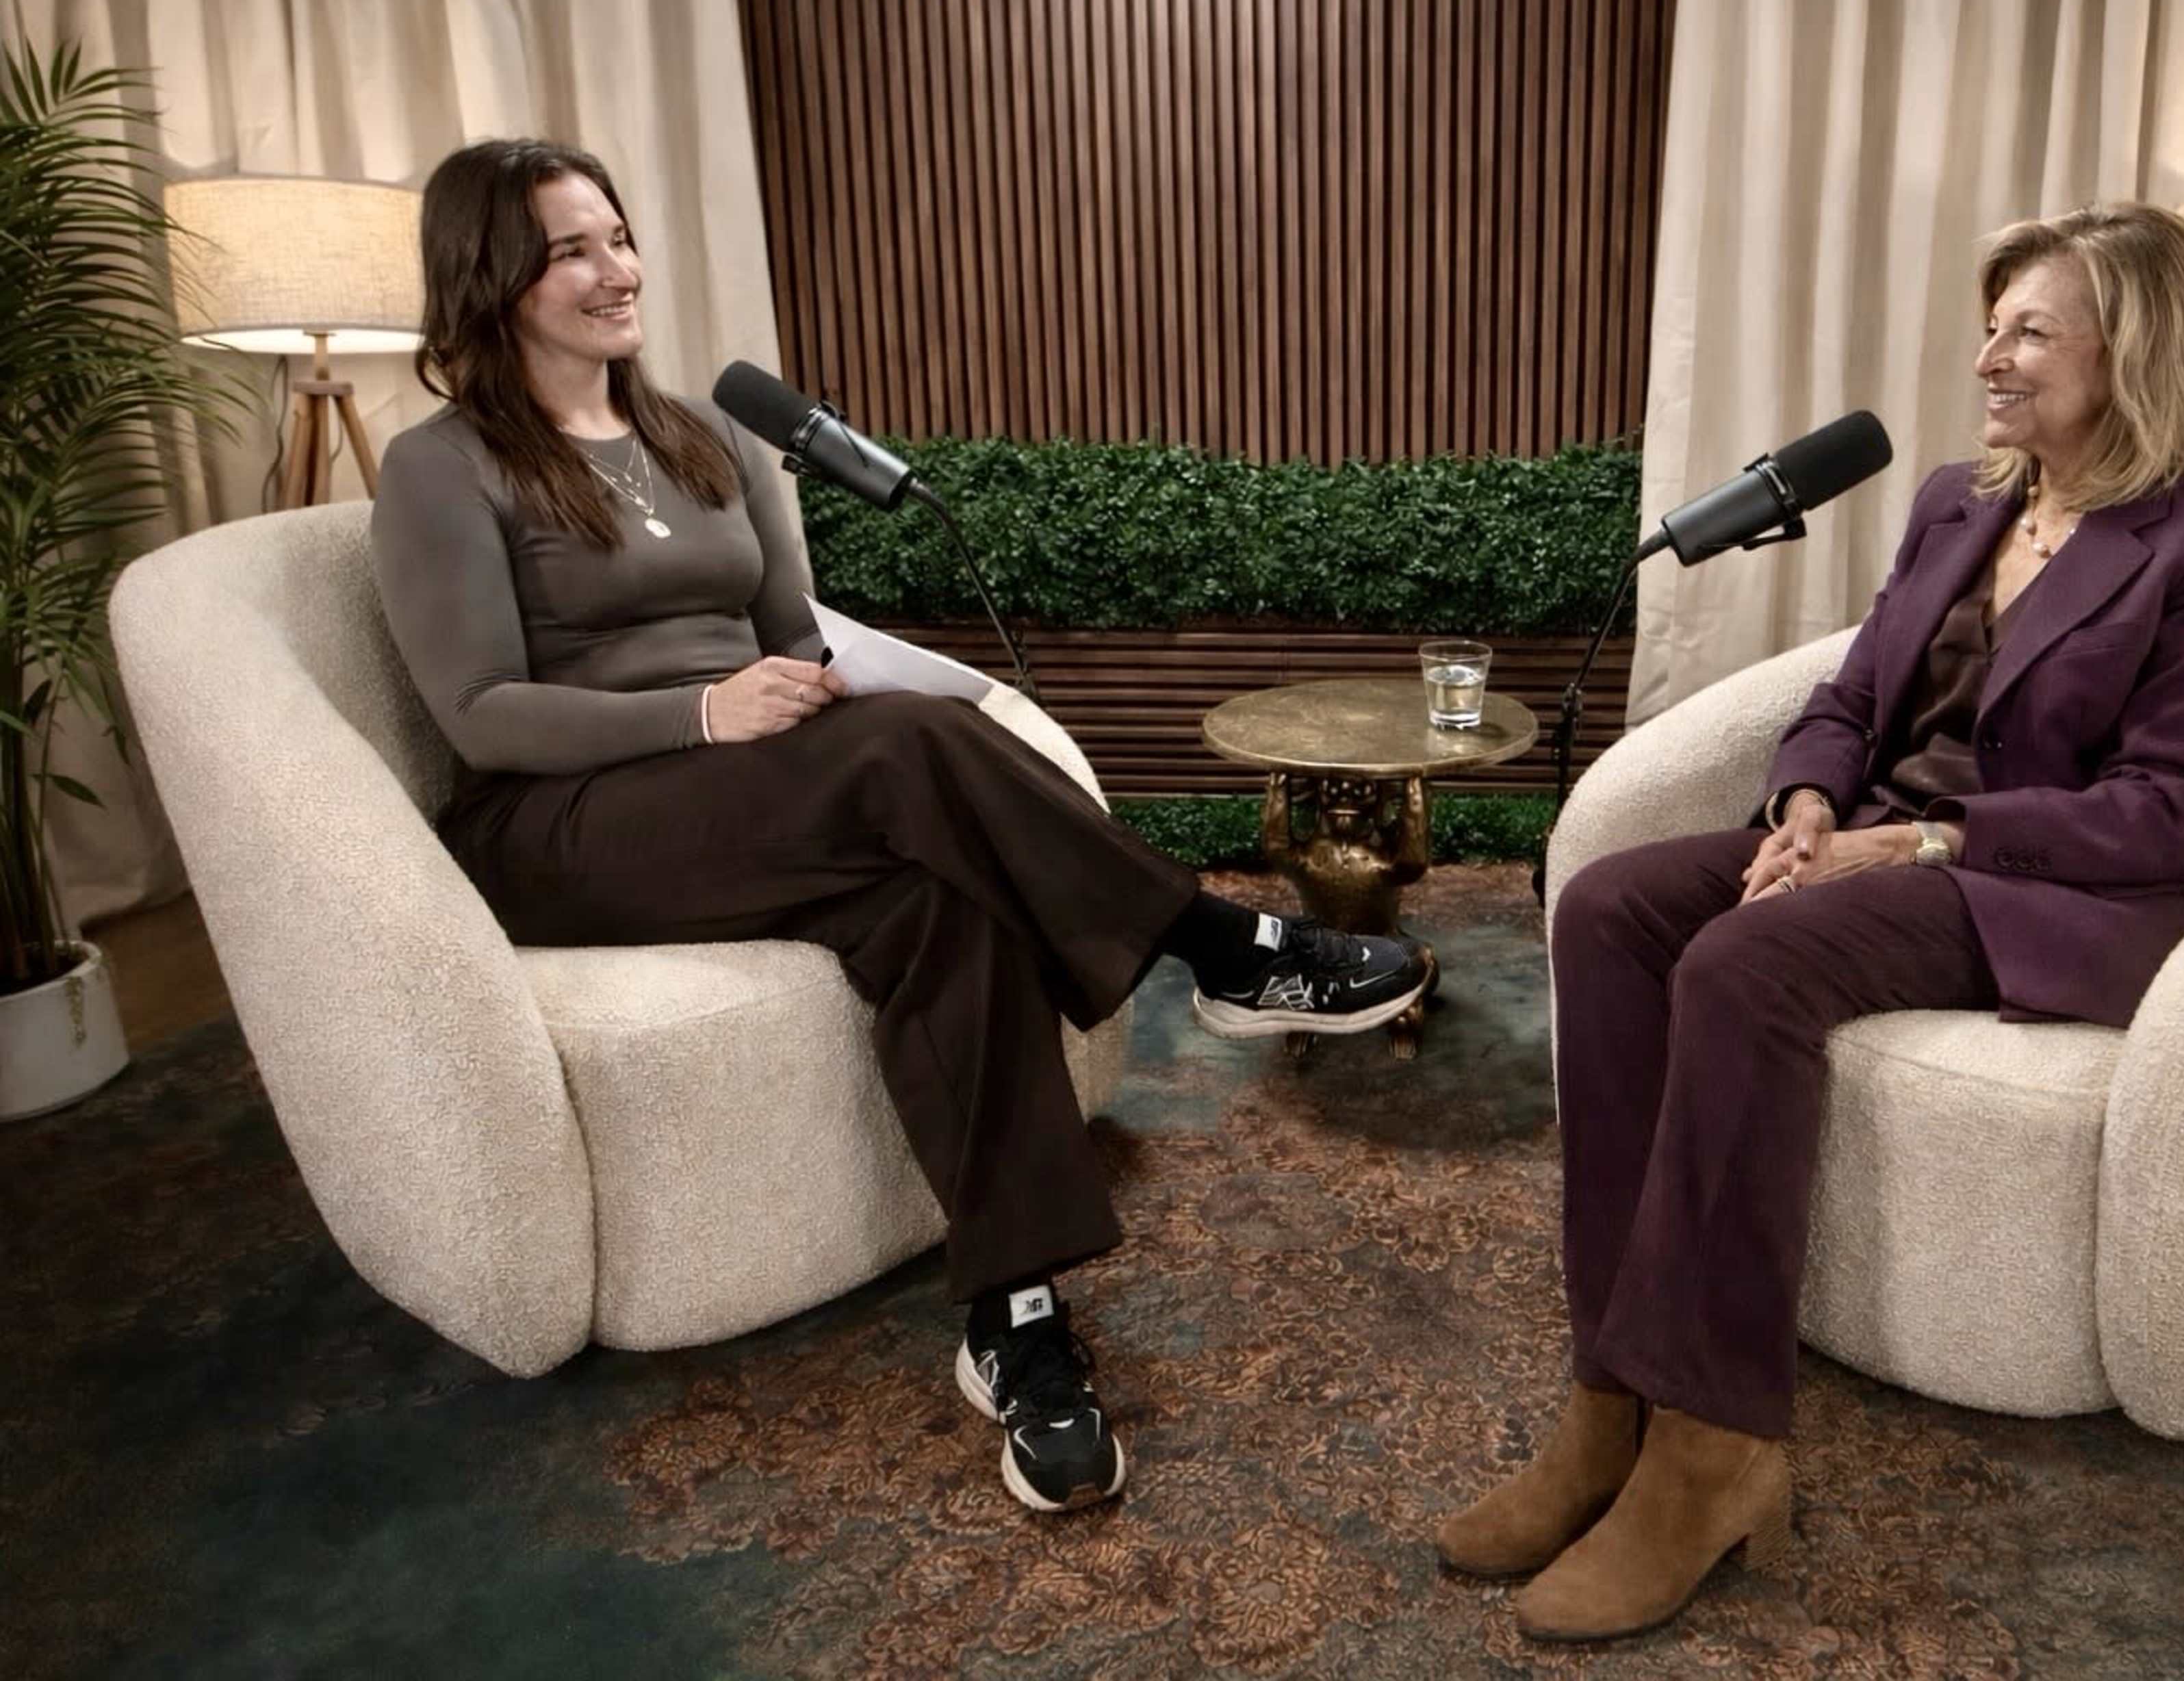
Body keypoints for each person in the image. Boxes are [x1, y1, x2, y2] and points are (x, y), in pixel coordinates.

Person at [369, 138, 1430, 1515]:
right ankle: (1219, 943)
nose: (615, 269)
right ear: (491, 277)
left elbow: (791, 636)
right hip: (563, 823)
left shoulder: (701, 436)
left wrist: (817, 687)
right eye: (572, 249)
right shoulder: (444, 467)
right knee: (909, 749)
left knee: (946, 902)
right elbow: (480, 716)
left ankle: (1018, 1318)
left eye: (618, 237)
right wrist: (705, 712)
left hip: (755, 797)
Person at [1435, 202, 2184, 1641]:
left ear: (2136, 349)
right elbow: (1847, 696)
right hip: (1876, 837)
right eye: (1992, 327)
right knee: (1607, 907)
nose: (1990, 358)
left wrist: (1914, 840)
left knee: (1746, 960)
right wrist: (1807, 806)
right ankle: (1611, 1395)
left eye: (2031, 331)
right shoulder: (1963, 499)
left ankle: (1716, 1446)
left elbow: (2171, 809)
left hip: (2046, 885)